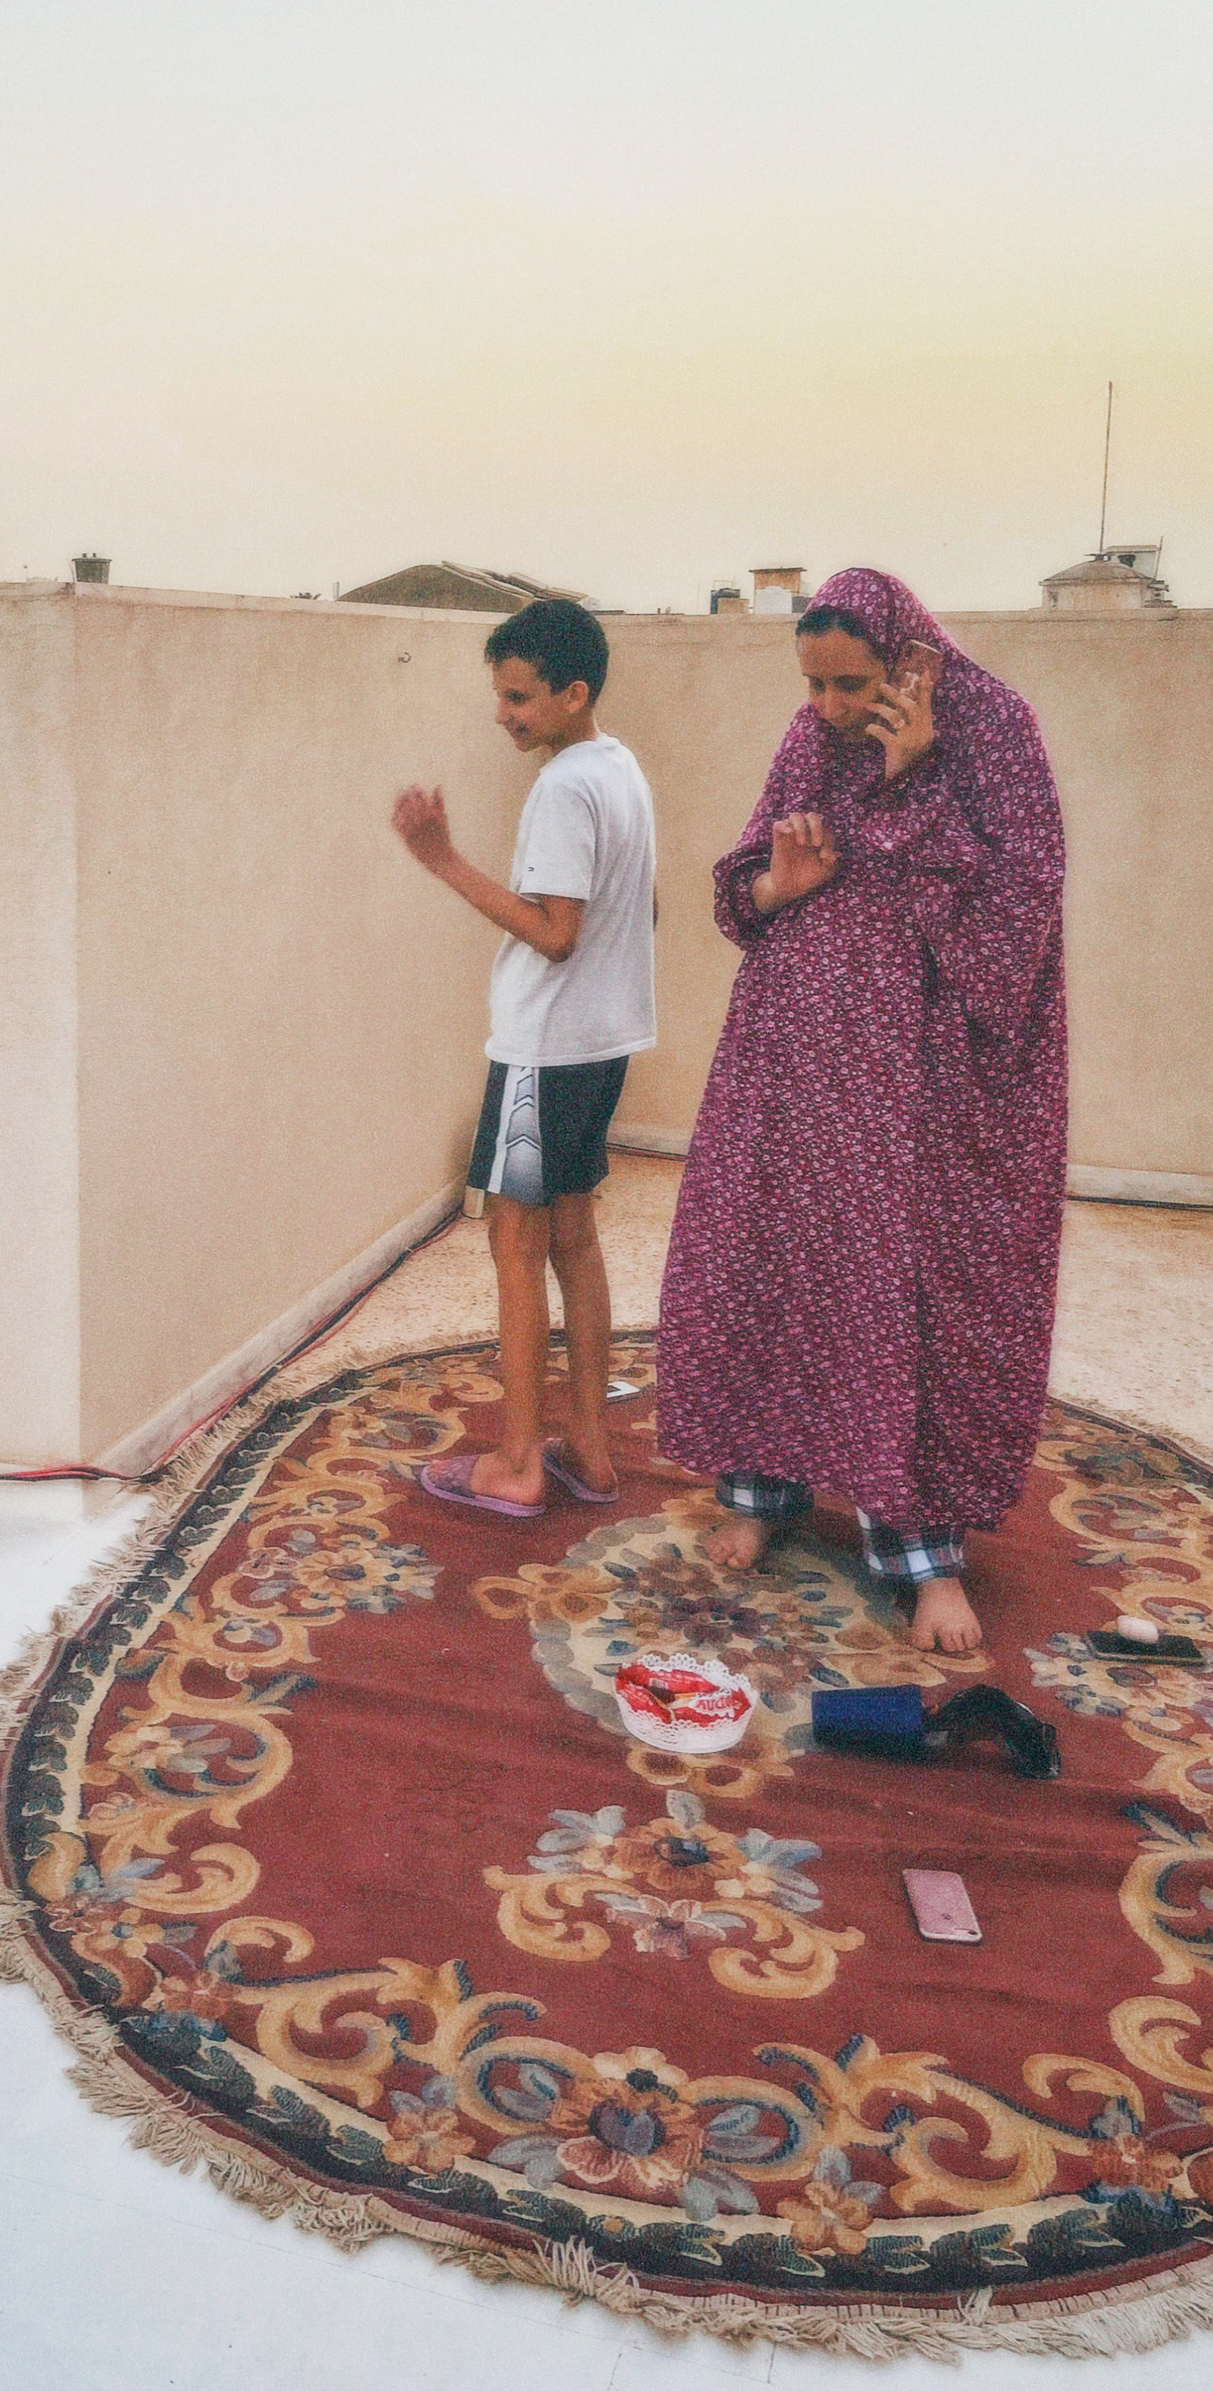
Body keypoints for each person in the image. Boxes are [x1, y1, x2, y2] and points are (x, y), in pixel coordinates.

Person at [655, 568, 1067, 1654]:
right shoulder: (808, 737)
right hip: (792, 1049)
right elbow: (739, 889)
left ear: (907, 657)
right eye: (815, 684)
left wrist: (918, 772)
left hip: (918, 1072)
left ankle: (923, 1556)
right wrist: (782, 885)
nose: (830, 708)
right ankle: (761, 1494)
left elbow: (1019, 915)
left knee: (900, 1278)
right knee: (780, 1250)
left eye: (851, 684)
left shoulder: (998, 732)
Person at [392, 600, 657, 1516]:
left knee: (515, 1245)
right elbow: (642, 909)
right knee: (573, 1241)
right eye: (499, 695)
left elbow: (554, 932)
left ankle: (517, 1462)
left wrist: (441, 860)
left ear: (572, 693)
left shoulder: (562, 789)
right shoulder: (621, 770)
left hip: (543, 1056)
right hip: (603, 1044)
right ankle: (588, 1449)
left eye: (519, 698)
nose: (503, 714)